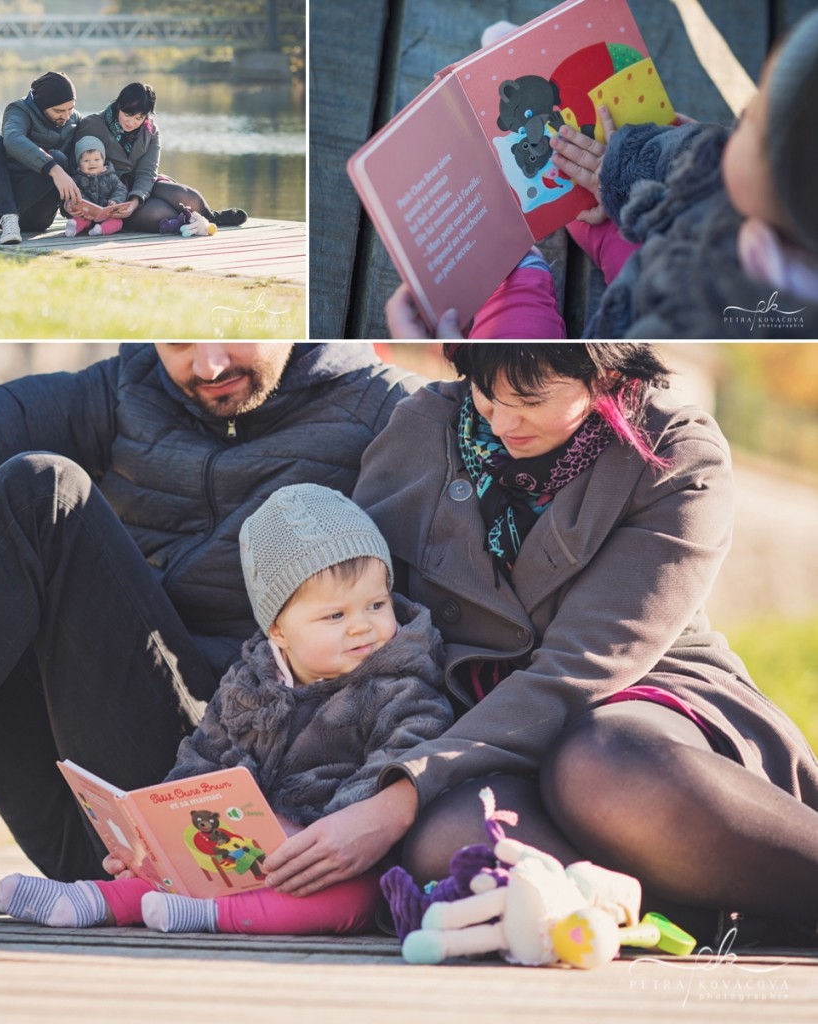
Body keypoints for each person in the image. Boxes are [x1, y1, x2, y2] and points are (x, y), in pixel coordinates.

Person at [0, 344, 422, 910]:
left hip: (215, 816)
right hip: (93, 826)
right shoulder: (126, 391)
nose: (208, 365)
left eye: (232, 332)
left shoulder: (385, 409)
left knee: (43, 490)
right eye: (179, 341)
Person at [283, 342, 818, 950]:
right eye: (487, 393)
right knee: (453, 838)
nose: (502, 421)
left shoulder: (672, 450)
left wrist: (395, 801)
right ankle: (691, 917)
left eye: (531, 400)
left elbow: (581, 667)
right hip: (474, 733)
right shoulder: (422, 427)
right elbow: (358, 630)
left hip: (641, 708)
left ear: (606, 373)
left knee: (602, 764)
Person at [0, 483, 451, 935]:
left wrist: (314, 832)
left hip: (335, 857)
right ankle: (95, 898)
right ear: (279, 631)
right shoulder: (250, 682)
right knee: (171, 866)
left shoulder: (402, 686)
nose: (362, 627)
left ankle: (214, 917)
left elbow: (398, 763)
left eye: (376, 604)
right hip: (243, 851)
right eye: (335, 616)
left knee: (354, 894)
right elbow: (204, 758)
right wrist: (157, 838)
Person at [386, 10, 818, 340]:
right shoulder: (761, 193)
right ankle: (515, 89)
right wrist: (618, 171)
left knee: (516, 352)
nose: (737, 119)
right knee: (587, 180)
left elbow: (620, 354)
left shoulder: (710, 322)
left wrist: (458, 354)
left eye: (752, 122)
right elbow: (700, 164)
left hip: (637, 299)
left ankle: (515, 275)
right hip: (667, 234)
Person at [72, 82, 248, 235]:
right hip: (111, 194)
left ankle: (210, 218)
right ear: (118, 105)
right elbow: (78, 167)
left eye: (139, 118)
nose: (131, 122)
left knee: (186, 195)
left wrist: (135, 201)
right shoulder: (93, 125)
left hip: (143, 183)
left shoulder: (150, 131)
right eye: (127, 115)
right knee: (159, 212)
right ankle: (187, 221)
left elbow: (147, 171)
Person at [0, 71, 82, 246]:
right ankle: (5, 214)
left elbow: (78, 162)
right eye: (58, 110)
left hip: (36, 216)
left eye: (70, 109)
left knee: (59, 157)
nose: (65, 116)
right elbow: (12, 138)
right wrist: (53, 169)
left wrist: (72, 207)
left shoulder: (75, 120)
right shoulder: (18, 110)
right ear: (42, 105)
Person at [63, 135, 129, 238]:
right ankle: (73, 228)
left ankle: (100, 230)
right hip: (86, 214)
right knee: (79, 219)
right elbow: (74, 194)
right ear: (79, 163)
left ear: (103, 160)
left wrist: (115, 200)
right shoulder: (77, 178)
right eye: (86, 161)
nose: (92, 163)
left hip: (107, 214)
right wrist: (78, 205)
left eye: (96, 159)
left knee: (117, 222)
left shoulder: (110, 176)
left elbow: (120, 189)